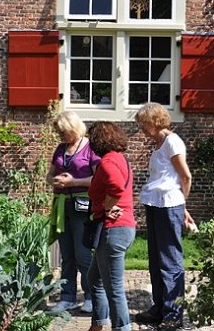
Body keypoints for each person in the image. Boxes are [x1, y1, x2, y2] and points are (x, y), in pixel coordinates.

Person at [134, 102, 196, 330]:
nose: (140, 128)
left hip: (169, 206)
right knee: (156, 260)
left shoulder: (172, 142)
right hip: (156, 205)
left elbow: (185, 177)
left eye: (142, 123)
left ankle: (173, 313)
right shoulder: (159, 143)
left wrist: (182, 206)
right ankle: (159, 308)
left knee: (170, 261)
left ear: (153, 121)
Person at [47, 111, 100, 313]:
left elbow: (98, 179)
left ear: (73, 128)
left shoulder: (90, 148)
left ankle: (90, 296)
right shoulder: (60, 149)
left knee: (83, 254)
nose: (60, 137)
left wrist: (74, 182)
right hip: (62, 205)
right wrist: (54, 181)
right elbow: (50, 174)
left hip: (83, 206)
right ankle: (67, 296)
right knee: (66, 254)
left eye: (63, 132)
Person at [86, 122, 136, 331]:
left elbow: (116, 189)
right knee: (94, 278)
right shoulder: (119, 158)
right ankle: (98, 324)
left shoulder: (107, 163)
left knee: (114, 288)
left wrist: (107, 207)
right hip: (122, 228)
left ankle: (122, 328)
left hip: (113, 230)